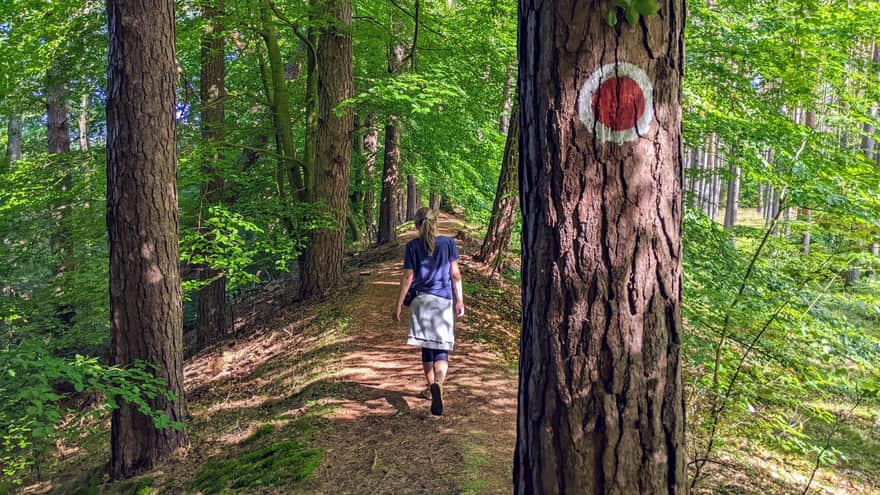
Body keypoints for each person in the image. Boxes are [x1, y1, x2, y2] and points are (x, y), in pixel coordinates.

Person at [393, 207, 465, 416]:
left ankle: (430, 386)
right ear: (437, 222)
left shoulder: (412, 246)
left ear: (416, 225)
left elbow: (408, 276)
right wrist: (459, 300)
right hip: (443, 301)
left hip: (421, 302)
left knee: (427, 347)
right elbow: (455, 275)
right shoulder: (449, 243)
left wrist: (398, 304)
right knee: (441, 347)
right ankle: (439, 384)